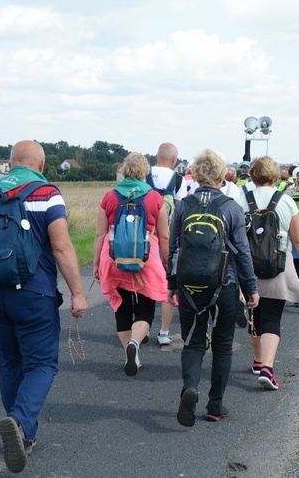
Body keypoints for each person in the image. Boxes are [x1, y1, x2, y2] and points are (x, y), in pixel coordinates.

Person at [0, 140, 88, 473]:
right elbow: (61, 248)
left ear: (10, 164)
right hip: (34, 294)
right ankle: (19, 423)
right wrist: (77, 292)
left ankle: (25, 436)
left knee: (9, 360)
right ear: (41, 165)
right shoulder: (46, 193)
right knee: (42, 364)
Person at [168, 149, 259, 426]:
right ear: (222, 175)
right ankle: (215, 405)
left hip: (190, 287)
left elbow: (172, 249)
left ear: (195, 175)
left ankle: (190, 388)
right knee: (222, 346)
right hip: (225, 285)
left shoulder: (183, 205)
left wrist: (172, 284)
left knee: (193, 342)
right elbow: (242, 252)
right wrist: (251, 288)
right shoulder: (231, 207)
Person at [236, 156, 299, 390]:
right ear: (275, 176)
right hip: (277, 266)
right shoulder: (285, 201)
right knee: (272, 317)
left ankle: (257, 360)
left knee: (254, 316)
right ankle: (267, 368)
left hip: (248, 267)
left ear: (252, 175)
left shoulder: (242, 200)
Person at [94, 152, 170, 376]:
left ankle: (131, 353)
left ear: (124, 171)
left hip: (114, 257)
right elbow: (164, 236)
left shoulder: (109, 196)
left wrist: (97, 263)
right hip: (147, 258)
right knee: (146, 308)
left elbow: (100, 235)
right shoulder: (156, 198)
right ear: (144, 172)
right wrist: (166, 263)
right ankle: (134, 343)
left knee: (123, 307)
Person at [147, 142, 188, 345]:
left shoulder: (143, 175)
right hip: (168, 239)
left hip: (143, 238)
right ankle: (164, 332)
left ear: (156, 156)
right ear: (174, 160)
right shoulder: (179, 180)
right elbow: (180, 213)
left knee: (142, 282)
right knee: (168, 283)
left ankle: (141, 327)